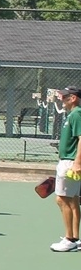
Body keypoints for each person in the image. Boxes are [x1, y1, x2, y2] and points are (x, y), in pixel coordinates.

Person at [49, 85, 81, 252]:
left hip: (69, 162)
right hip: (68, 162)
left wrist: (77, 163)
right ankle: (75, 237)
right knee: (73, 199)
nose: (61, 99)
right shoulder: (73, 114)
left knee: (62, 199)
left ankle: (69, 240)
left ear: (73, 98)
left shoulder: (77, 114)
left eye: (64, 96)